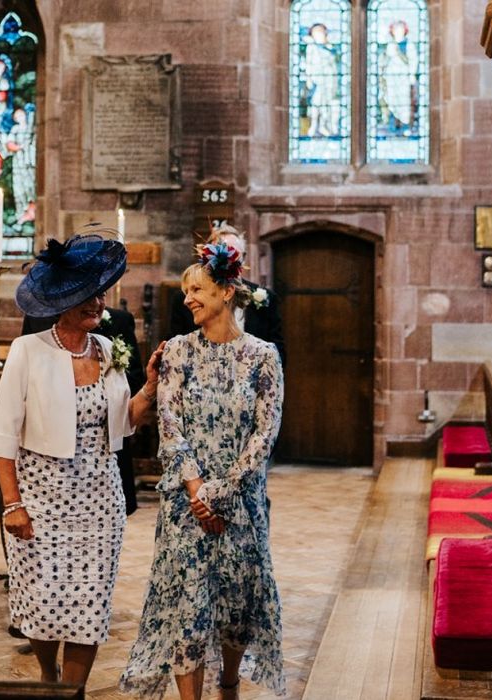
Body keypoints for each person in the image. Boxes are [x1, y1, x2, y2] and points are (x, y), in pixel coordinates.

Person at [0, 232, 164, 688]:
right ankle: (50, 678)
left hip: (100, 499)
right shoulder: (28, 352)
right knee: (43, 600)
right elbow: (3, 436)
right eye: (87, 295)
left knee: (90, 603)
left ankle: (74, 691)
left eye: (99, 293)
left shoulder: (107, 350)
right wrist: (12, 504)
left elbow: (124, 422)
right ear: (63, 300)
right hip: (42, 498)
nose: (98, 302)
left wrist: (148, 387)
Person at [120, 241, 285, 700]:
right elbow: (169, 426)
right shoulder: (175, 353)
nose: (188, 297)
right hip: (184, 506)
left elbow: (264, 434)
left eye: (198, 289)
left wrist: (222, 491)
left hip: (240, 502)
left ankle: (228, 686)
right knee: (186, 609)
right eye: (186, 290)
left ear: (227, 292)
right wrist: (197, 490)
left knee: (236, 605)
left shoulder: (263, 357)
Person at [21, 304, 145, 515]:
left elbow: (134, 376)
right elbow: (28, 385)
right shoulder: (36, 320)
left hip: (104, 451)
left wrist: (107, 388)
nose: (95, 302)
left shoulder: (118, 323)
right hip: (50, 466)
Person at [167, 224, 285, 364]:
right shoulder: (185, 300)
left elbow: (278, 354)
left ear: (244, 258)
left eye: (233, 254)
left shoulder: (266, 299)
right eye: (221, 256)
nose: (227, 262)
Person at [380, 19, 418, 134]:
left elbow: (412, 61)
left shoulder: (408, 45)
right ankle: (393, 125)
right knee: (391, 101)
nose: (398, 31)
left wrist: (411, 75)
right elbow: (383, 61)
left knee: (404, 102)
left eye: (400, 29)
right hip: (391, 77)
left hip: (403, 78)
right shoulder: (389, 45)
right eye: (396, 29)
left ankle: (405, 125)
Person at [304, 22, 339, 137]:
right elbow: (308, 63)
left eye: (321, 32)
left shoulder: (329, 47)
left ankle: (324, 126)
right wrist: (309, 78)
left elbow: (333, 63)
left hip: (329, 78)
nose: (319, 35)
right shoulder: (312, 47)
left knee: (327, 103)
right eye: (316, 33)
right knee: (316, 103)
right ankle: (314, 126)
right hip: (317, 79)